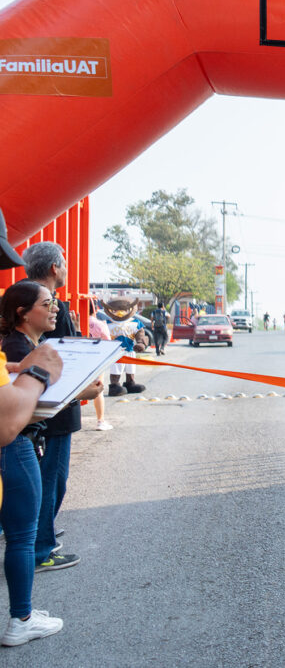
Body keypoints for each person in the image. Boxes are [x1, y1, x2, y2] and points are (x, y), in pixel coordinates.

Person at [22, 242, 101, 572]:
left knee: (41, 479)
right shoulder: (48, 304)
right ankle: (41, 547)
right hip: (54, 407)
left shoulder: (24, 297)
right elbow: (64, 359)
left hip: (37, 406)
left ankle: (39, 533)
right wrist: (85, 389)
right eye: (65, 263)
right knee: (52, 479)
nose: (67, 269)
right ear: (55, 268)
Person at [0, 280, 70, 646]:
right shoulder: (16, 345)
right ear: (22, 313)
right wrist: (39, 374)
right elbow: (7, 422)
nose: (55, 308)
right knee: (22, 537)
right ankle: (21, 619)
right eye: (47, 303)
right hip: (14, 448)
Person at [87, 310, 113, 431]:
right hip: (96, 360)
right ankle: (100, 421)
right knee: (98, 390)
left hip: (77, 360)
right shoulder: (99, 324)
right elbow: (108, 343)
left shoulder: (74, 321)